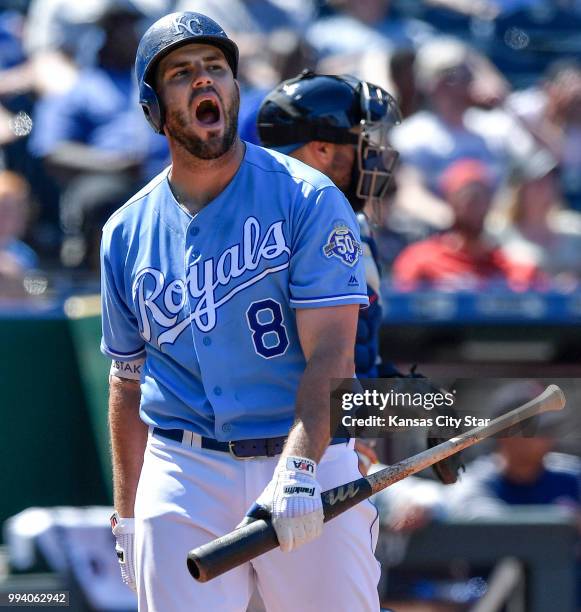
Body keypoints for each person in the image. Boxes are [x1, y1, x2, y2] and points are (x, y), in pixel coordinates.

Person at [102, 11, 381, 612]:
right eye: (182, 73)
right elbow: (127, 380)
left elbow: (334, 353)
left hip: (304, 451)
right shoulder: (125, 232)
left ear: (235, 88)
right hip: (184, 468)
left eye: (217, 69)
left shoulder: (307, 197)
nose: (204, 81)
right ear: (154, 107)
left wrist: (304, 466)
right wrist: (127, 515)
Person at [392, 158, 539, 290]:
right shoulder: (421, 259)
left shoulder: (505, 266)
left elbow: (526, 282)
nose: (473, 205)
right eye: (466, 197)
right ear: (450, 201)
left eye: (481, 197)